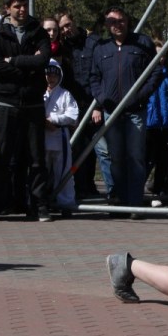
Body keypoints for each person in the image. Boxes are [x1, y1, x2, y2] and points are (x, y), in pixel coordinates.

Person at [0, 0, 52, 222]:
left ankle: (39, 206)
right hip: (6, 102)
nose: (22, 9)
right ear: (7, 9)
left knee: (36, 157)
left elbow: (43, 60)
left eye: (24, 5)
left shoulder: (38, 32)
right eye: (17, 6)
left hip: (33, 103)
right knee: (3, 156)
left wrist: (13, 60)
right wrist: (27, 68)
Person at [89, 6, 162, 214]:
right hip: (111, 112)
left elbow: (155, 72)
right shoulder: (101, 48)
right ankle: (119, 201)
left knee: (136, 157)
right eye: (112, 22)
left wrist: (141, 96)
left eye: (121, 21)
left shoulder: (142, 43)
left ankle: (135, 203)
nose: (117, 25)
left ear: (127, 21)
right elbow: (94, 78)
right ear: (107, 24)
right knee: (116, 157)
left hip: (135, 111)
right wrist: (102, 98)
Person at [57, 12, 107, 200]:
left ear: (74, 21)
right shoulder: (62, 47)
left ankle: (90, 185)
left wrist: (98, 105)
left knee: (96, 147)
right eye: (62, 28)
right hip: (72, 105)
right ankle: (79, 186)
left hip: (92, 103)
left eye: (68, 25)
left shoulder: (93, 42)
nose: (66, 30)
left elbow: (100, 75)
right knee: (76, 147)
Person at [43, 59, 78, 216]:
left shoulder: (65, 94)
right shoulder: (40, 94)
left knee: (64, 173)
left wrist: (54, 120)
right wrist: (44, 122)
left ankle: (65, 203)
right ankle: (40, 202)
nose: (51, 78)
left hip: (60, 138)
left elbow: (72, 115)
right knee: (41, 172)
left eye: (54, 75)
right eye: (48, 75)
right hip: (43, 138)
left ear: (60, 76)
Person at [145, 39, 168, 205]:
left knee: (163, 159)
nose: (160, 58)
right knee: (147, 158)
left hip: (166, 121)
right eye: (157, 54)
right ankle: (137, 190)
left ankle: (158, 190)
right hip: (150, 121)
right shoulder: (145, 73)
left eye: (163, 54)